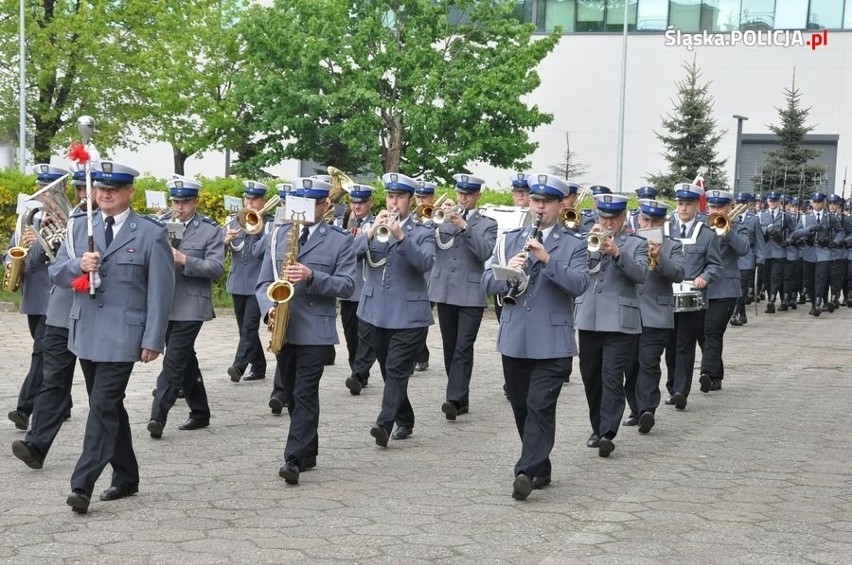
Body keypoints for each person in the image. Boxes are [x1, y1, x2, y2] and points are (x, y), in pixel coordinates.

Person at [49, 161, 174, 513]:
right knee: (109, 406)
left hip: (123, 336)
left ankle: (82, 485)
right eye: (100, 188)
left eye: (114, 189)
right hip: (85, 331)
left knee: (101, 406)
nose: (105, 194)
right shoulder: (79, 227)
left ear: (129, 193)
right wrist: (79, 266)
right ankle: (127, 475)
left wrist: (154, 338)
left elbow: (161, 292)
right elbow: (57, 273)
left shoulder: (150, 233)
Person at [483, 173, 589, 500]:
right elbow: (486, 281)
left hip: (552, 342)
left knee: (539, 405)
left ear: (560, 205)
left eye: (546, 202)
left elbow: (580, 284)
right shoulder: (509, 239)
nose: (539, 207)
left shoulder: (574, 243)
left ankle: (525, 471)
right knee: (521, 407)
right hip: (515, 338)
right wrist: (506, 274)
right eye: (534, 201)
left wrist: (548, 260)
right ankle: (540, 464)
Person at [256, 177, 356, 485]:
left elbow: (349, 286)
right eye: (300, 202)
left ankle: (293, 458)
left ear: (325, 205)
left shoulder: (340, 239)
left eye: (313, 203)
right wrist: (268, 309)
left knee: (304, 391)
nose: (305, 209)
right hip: (283, 328)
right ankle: (308, 449)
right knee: (292, 394)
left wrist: (313, 276)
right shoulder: (279, 234)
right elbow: (262, 283)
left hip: (315, 329)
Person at [11, 167, 96, 469]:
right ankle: (36, 445)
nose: (85, 196)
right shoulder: (64, 219)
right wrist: (47, 242)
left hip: (94, 315)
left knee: (99, 392)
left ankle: (112, 452)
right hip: (59, 312)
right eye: (80, 190)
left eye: (90, 190)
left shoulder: (111, 223)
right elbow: (46, 267)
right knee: (52, 380)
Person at [360, 172, 436, 446]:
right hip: (376, 312)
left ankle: (384, 424)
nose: (394, 203)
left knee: (395, 369)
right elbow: (349, 253)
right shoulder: (371, 226)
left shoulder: (424, 231)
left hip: (409, 315)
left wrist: (401, 237)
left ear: (410, 200)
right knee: (387, 369)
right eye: (390, 196)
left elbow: (426, 262)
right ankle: (404, 417)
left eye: (400, 197)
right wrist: (369, 233)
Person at [148, 177, 225, 439]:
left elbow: (216, 268)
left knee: (173, 359)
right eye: (176, 202)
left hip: (191, 304)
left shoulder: (210, 230)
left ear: (196, 202)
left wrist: (185, 259)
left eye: (185, 202)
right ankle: (200, 412)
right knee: (184, 358)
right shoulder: (160, 225)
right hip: (165, 302)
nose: (179, 208)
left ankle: (157, 415)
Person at [576, 193, 648, 458]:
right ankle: (596, 427)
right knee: (591, 378)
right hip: (588, 318)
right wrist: (589, 245)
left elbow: (641, 275)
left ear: (623, 217)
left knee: (612, 378)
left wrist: (617, 252)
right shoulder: (584, 240)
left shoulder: (637, 243)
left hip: (619, 323)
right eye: (603, 217)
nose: (607, 223)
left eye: (612, 218)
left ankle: (607, 433)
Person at [429, 173, 498, 420]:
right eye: (460, 193)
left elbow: (483, 252)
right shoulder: (442, 219)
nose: (463, 198)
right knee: (449, 348)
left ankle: (453, 398)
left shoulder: (487, 224)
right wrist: (436, 220)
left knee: (463, 347)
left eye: (468, 194)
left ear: (477, 195)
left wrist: (464, 226)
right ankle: (462, 398)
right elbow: (428, 243)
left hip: (471, 293)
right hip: (445, 291)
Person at [4, 164, 64, 431]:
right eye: (40, 188)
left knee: (41, 351)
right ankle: (65, 403)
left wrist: (37, 242)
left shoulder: (65, 221)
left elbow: (55, 260)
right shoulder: (27, 218)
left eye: (47, 190)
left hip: (54, 297)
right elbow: (10, 250)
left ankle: (24, 408)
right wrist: (13, 258)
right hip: (33, 298)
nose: (41, 194)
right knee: (45, 351)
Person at [664, 182, 722, 411]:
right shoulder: (666, 230)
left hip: (693, 299)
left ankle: (681, 391)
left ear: (696, 206)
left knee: (685, 345)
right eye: (680, 203)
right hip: (666, 296)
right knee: (669, 345)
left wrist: (705, 278)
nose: (684, 208)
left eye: (688, 204)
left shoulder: (706, 235)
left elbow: (716, 265)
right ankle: (671, 387)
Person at [628, 199, 684, 435]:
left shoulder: (673, 245)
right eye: (646, 220)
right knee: (630, 367)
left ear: (663, 223)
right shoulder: (629, 243)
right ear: (639, 220)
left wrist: (660, 257)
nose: (649, 224)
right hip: (629, 312)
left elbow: (679, 274)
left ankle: (647, 409)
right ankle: (635, 408)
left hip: (656, 314)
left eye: (655, 221)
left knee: (649, 363)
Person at [697, 190, 749, 393]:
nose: (716, 210)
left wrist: (727, 231)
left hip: (725, 288)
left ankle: (707, 374)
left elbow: (744, 249)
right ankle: (716, 374)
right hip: (703, 285)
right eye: (712, 207)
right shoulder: (701, 226)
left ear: (730, 207)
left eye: (720, 207)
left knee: (712, 331)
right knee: (703, 333)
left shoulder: (739, 226)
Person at [224, 181, 272, 383]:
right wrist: (225, 240)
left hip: (257, 283)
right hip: (237, 281)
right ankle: (259, 366)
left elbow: (262, 251)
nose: (250, 202)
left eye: (255, 199)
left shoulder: (269, 223)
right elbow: (220, 251)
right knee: (243, 327)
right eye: (248, 198)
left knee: (249, 327)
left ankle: (238, 366)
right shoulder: (234, 221)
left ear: (262, 201)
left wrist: (259, 228)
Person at [341, 184, 377, 395]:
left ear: (370, 203)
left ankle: (358, 374)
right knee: (351, 336)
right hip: (348, 289)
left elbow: (356, 250)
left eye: (362, 202)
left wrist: (364, 237)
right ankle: (357, 370)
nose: (357, 206)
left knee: (366, 335)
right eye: (354, 202)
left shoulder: (376, 224)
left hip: (367, 287)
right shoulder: (344, 223)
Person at [791, 192, 844, 316]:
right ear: (811, 203)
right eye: (814, 202)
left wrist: (835, 242)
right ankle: (814, 303)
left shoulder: (830, 217)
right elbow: (795, 233)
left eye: (819, 202)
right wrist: (809, 230)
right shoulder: (805, 217)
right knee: (809, 280)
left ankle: (819, 301)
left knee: (821, 278)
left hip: (824, 252)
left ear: (824, 202)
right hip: (809, 251)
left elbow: (840, 232)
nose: (817, 204)